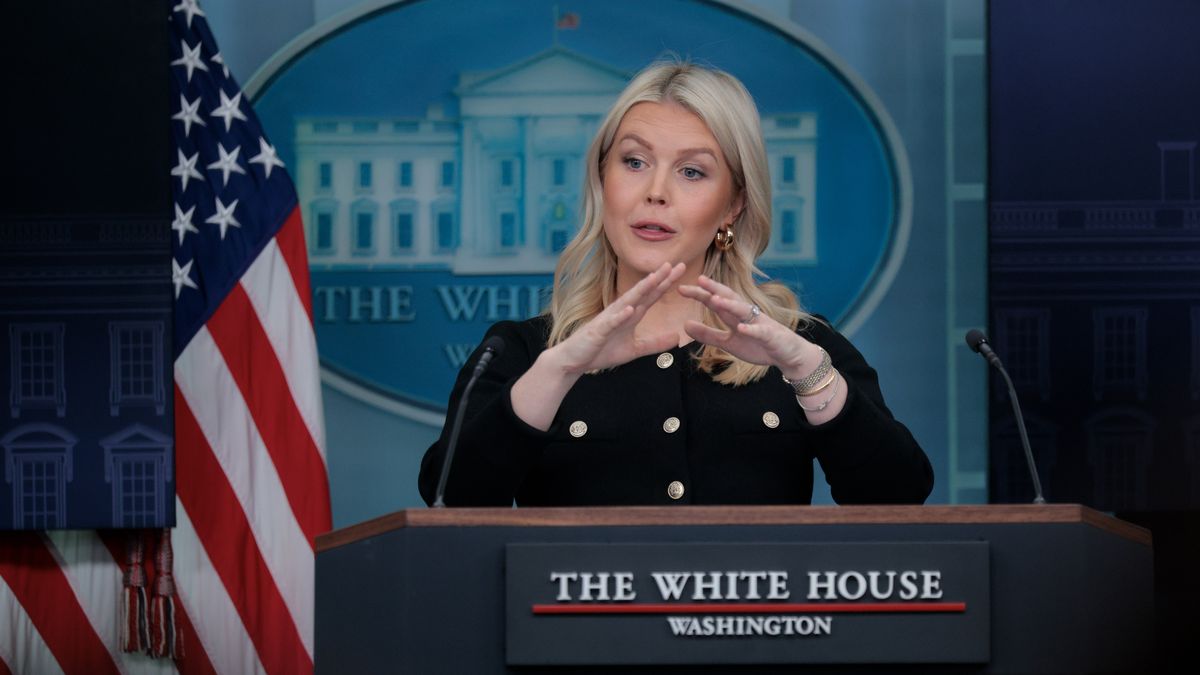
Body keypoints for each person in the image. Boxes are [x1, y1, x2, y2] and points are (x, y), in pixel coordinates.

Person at [419, 61, 933, 507]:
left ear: (733, 204)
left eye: (692, 172)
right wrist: (560, 372)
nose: (656, 192)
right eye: (635, 162)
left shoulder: (799, 346)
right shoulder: (524, 352)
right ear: (603, 183)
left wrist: (806, 372)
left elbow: (899, 494)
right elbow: (449, 498)